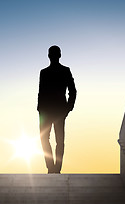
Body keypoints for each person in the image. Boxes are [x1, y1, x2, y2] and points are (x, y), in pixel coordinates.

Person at [37, 45, 77, 174]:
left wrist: (68, 108)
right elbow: (41, 92)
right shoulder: (44, 72)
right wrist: (39, 109)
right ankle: (52, 168)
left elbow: (73, 91)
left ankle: (55, 169)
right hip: (47, 111)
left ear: (58, 55)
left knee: (59, 140)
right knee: (49, 139)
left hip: (57, 111)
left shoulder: (65, 71)